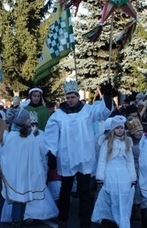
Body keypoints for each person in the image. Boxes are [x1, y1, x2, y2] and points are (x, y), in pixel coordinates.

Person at [43, 80, 113, 228]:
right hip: (67, 157)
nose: (70, 100)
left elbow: (103, 112)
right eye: (67, 97)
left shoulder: (87, 110)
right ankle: (63, 218)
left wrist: (107, 96)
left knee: (85, 192)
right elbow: (51, 135)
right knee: (65, 190)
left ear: (78, 96)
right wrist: (52, 153)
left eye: (72, 97)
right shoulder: (58, 114)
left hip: (84, 157)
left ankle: (85, 221)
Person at [92, 115, 136, 227]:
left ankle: (123, 222)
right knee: (111, 199)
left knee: (124, 200)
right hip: (110, 174)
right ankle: (110, 220)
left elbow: (130, 162)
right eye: (117, 128)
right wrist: (100, 177)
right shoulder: (107, 143)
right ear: (112, 129)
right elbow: (102, 161)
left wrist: (132, 178)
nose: (120, 130)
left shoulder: (127, 143)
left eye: (121, 128)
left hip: (124, 176)